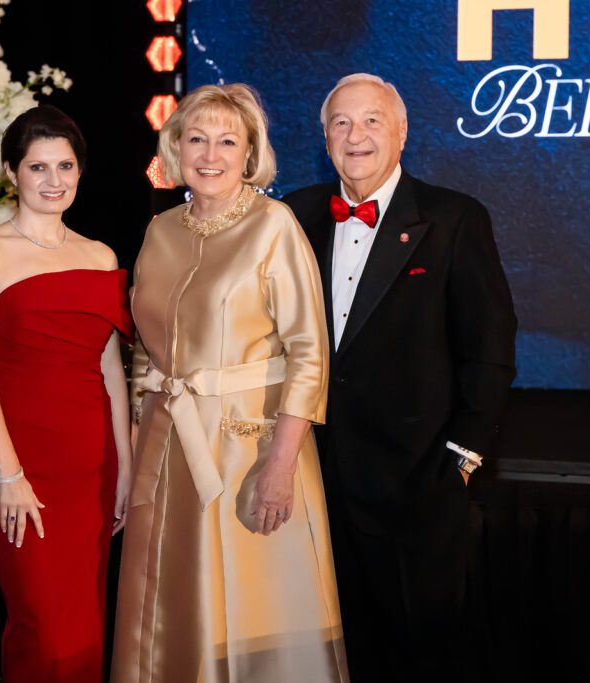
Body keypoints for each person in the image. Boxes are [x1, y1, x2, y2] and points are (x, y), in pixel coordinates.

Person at [282, 73, 517, 682]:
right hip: (311, 479)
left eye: (371, 121)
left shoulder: (454, 218)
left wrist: (463, 452)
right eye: (340, 123)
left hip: (416, 483)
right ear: (324, 137)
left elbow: (489, 345)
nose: (355, 136)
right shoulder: (292, 216)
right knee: (330, 653)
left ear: (403, 132)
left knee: (423, 654)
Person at [112, 84, 348, 683]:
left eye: (227, 141)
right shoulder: (159, 230)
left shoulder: (276, 226)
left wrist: (280, 467)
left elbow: (309, 357)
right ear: (176, 147)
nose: (210, 154)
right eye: (196, 139)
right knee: (166, 612)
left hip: (251, 453)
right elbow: (144, 355)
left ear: (250, 154)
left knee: (252, 614)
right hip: (166, 459)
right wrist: (135, 454)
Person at [0, 105, 133, 683]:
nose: (54, 181)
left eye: (66, 166)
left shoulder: (101, 256)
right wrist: (9, 473)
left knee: (85, 625)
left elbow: (112, 371)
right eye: (38, 167)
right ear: (11, 172)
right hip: (20, 461)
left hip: (92, 465)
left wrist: (125, 467)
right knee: (41, 624)